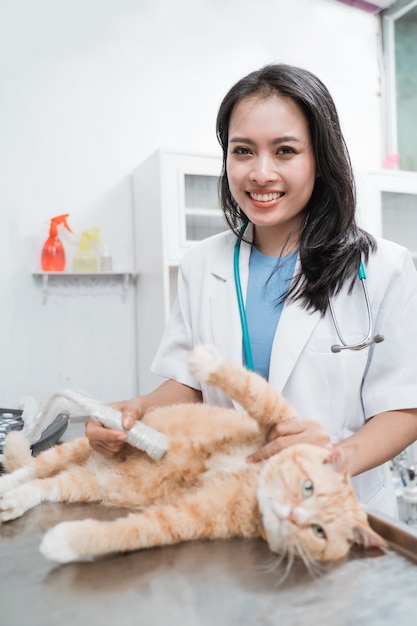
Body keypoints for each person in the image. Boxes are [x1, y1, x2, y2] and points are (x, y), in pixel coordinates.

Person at [86, 64, 417, 516]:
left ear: (320, 160)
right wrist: (136, 411)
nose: (261, 173)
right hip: (231, 502)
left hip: (339, 508)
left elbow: (404, 408)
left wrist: (333, 459)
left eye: (285, 151)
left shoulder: (383, 268)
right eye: (243, 151)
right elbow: (193, 382)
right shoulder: (202, 264)